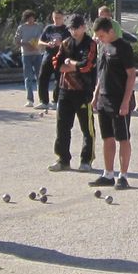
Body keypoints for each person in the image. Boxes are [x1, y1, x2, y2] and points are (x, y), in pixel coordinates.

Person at [89, 17, 136, 190]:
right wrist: (95, 96)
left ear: (111, 31)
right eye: (97, 36)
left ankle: (123, 176)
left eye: (102, 35)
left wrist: (125, 102)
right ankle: (108, 174)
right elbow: (101, 73)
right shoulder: (103, 46)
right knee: (107, 137)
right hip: (104, 98)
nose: (99, 38)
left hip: (120, 99)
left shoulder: (124, 47)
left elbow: (131, 75)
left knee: (123, 138)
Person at [50, 14, 97, 172]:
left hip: (83, 91)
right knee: (62, 126)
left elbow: (87, 65)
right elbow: (56, 63)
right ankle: (63, 159)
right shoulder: (65, 43)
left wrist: (72, 64)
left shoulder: (90, 44)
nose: (74, 31)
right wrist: (69, 66)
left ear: (83, 27)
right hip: (65, 91)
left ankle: (86, 160)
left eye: (76, 28)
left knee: (87, 128)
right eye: (71, 28)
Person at [36, 9, 70, 111]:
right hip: (48, 55)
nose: (57, 20)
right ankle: (44, 101)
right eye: (55, 18)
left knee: (58, 79)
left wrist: (61, 43)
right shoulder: (49, 28)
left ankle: (56, 101)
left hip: (60, 56)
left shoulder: (66, 29)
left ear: (63, 17)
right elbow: (40, 41)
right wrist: (48, 44)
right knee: (42, 77)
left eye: (59, 18)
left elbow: (70, 42)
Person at [14, 9, 45, 108]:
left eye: (33, 18)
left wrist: (37, 43)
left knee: (39, 77)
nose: (31, 20)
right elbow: (17, 41)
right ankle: (30, 99)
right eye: (29, 18)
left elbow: (43, 37)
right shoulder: (21, 28)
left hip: (37, 53)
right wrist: (26, 44)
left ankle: (42, 99)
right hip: (26, 54)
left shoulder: (39, 26)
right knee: (28, 77)